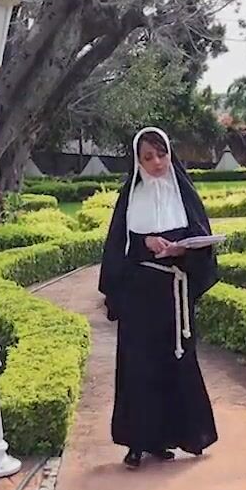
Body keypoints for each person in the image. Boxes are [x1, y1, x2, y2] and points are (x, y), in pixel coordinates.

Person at [97, 126, 220, 469]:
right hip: (140, 299)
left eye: (161, 154)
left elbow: (202, 240)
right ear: (138, 161)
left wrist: (184, 250)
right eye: (148, 157)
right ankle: (137, 443)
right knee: (139, 369)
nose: (157, 162)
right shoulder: (130, 199)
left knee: (175, 365)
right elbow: (117, 250)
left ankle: (168, 439)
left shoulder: (184, 194)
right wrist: (144, 242)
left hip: (175, 298)